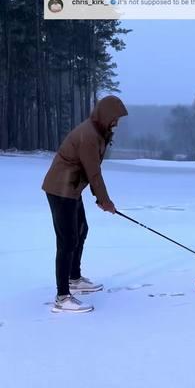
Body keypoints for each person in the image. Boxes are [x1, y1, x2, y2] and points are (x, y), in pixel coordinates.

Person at [42, 95, 128, 313]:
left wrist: (101, 199)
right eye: (114, 118)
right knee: (67, 240)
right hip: (61, 189)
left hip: (71, 188)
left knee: (81, 230)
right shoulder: (89, 135)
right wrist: (105, 201)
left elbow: (91, 172)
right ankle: (62, 297)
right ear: (105, 115)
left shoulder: (98, 132)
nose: (116, 123)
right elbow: (94, 173)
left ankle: (74, 278)